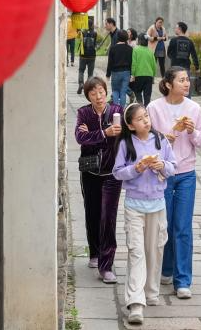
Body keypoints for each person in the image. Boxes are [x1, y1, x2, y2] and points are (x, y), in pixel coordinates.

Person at [113, 103, 177, 326]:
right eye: (140, 119)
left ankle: (150, 291)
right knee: (137, 252)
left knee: (155, 251)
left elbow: (173, 167)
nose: (145, 121)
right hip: (134, 205)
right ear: (131, 125)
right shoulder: (125, 143)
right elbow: (117, 172)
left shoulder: (161, 140)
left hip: (157, 205)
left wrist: (161, 165)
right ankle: (135, 302)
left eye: (146, 116)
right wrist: (136, 169)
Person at [147, 66, 201, 299]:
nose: (187, 83)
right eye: (181, 80)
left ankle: (183, 280)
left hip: (186, 173)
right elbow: (145, 139)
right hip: (162, 173)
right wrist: (164, 139)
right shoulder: (154, 108)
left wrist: (192, 132)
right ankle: (166, 268)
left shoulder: (194, 109)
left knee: (182, 227)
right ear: (168, 84)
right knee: (165, 225)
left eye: (187, 79)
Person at [74, 77, 124, 283]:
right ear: (88, 96)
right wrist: (104, 133)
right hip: (90, 172)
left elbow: (123, 135)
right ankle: (94, 252)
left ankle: (106, 265)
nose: (98, 96)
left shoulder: (117, 111)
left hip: (112, 173)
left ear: (106, 91)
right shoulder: (83, 113)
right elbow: (80, 137)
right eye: (93, 93)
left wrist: (94, 134)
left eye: (101, 92)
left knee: (108, 217)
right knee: (92, 213)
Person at [106, 29, 133, 109]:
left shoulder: (113, 48)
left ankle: (115, 110)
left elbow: (110, 62)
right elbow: (131, 62)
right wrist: (132, 74)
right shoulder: (130, 49)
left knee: (115, 91)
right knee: (123, 92)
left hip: (115, 72)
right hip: (126, 72)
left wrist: (108, 74)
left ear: (118, 37)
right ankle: (121, 110)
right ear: (126, 38)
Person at [130, 32, 157, 106]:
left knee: (137, 92)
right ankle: (147, 109)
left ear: (139, 40)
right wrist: (153, 76)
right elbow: (154, 65)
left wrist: (133, 74)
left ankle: (140, 106)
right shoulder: (150, 51)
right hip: (149, 76)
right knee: (147, 95)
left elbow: (134, 63)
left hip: (138, 75)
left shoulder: (135, 50)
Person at [77, 18, 99, 94]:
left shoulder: (82, 32)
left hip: (83, 55)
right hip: (92, 55)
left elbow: (79, 39)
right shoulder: (95, 33)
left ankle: (81, 84)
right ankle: (89, 88)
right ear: (92, 25)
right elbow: (95, 43)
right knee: (90, 73)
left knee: (81, 70)